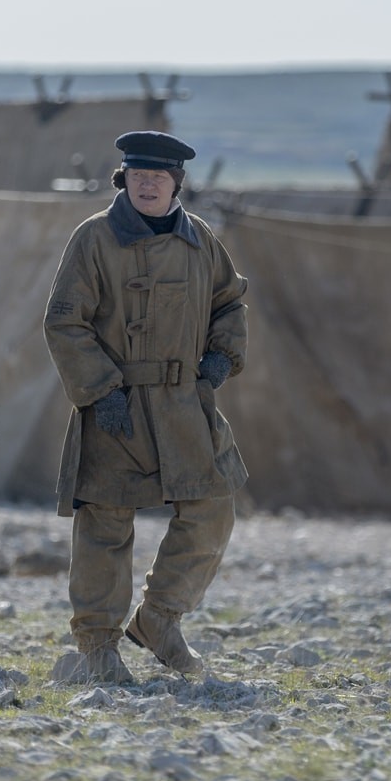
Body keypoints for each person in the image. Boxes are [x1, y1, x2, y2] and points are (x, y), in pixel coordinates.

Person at [45, 130, 249, 684]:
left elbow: (230, 301)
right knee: (105, 524)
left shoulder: (199, 239)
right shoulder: (93, 238)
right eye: (138, 176)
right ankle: (98, 646)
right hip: (117, 403)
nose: (148, 185)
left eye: (159, 177)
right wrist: (100, 390)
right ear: (124, 179)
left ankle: (160, 618)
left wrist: (221, 357)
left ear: (176, 183)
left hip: (184, 402)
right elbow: (64, 321)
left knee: (212, 506)